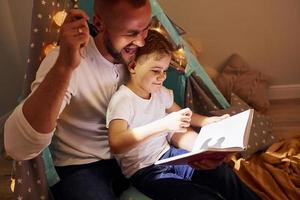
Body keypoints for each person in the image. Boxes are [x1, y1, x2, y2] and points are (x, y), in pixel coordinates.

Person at [4, 0, 152, 199]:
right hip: (81, 167)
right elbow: (17, 146)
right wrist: (65, 66)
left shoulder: (143, 56)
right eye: (131, 33)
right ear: (99, 24)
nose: (142, 41)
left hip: (131, 157)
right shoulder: (66, 59)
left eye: (145, 30)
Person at [106, 30, 261, 200]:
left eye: (165, 71)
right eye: (156, 70)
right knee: (201, 197)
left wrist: (207, 121)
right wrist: (164, 125)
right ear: (133, 66)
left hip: (168, 156)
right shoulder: (123, 100)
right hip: (144, 171)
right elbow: (116, 143)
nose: (162, 77)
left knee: (221, 173)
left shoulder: (160, 93)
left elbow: (184, 114)